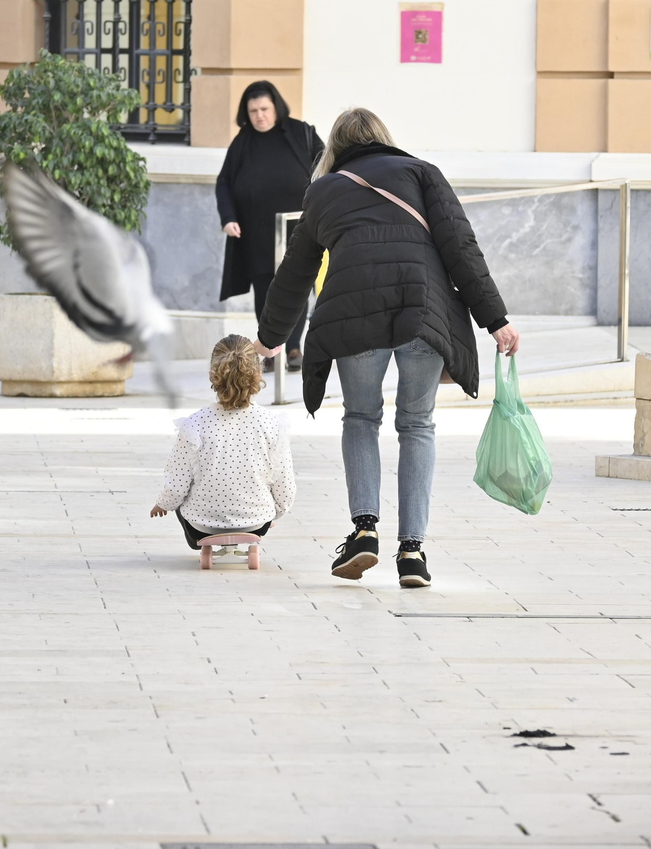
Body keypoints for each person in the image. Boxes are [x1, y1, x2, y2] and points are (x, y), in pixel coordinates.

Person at [253, 108, 519, 589]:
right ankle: (413, 552)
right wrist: (495, 320)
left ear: (335, 147)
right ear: (383, 138)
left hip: (355, 314)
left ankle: (364, 531)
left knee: (361, 418)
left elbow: (294, 271)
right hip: (423, 308)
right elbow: (461, 248)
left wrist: (271, 337)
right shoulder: (421, 172)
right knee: (417, 424)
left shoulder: (324, 190)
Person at [215, 81, 324, 374]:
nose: (259, 115)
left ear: (275, 107)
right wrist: (228, 217)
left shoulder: (301, 133)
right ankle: (270, 350)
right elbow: (224, 181)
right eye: (253, 110)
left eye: (264, 109)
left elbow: (327, 166)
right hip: (257, 233)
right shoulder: (243, 141)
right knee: (265, 293)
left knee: (298, 288)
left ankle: (294, 348)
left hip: (299, 229)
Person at [151, 334, 296, 550]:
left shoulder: (194, 424)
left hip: (201, 525)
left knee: (183, 498)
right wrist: (274, 513)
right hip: (256, 523)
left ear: (213, 375)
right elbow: (285, 486)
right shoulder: (272, 425)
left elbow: (177, 483)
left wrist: (163, 504)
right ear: (258, 373)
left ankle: (198, 541)